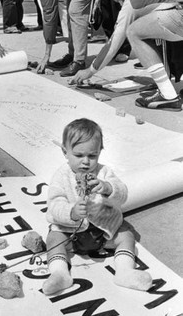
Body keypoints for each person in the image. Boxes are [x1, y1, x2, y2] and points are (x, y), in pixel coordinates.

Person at [43, 118, 152, 296]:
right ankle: (59, 273)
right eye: (78, 155)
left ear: (99, 152)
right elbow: (54, 205)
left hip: (103, 231)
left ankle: (124, 272)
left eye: (92, 156)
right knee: (53, 239)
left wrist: (109, 188)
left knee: (126, 235)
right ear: (65, 151)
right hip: (71, 234)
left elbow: (123, 194)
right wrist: (71, 212)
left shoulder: (104, 173)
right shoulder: (61, 176)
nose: (85, 162)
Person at [70, 0, 183, 111]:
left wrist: (90, 71)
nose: (119, 7)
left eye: (118, 3)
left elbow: (113, 44)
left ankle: (168, 95)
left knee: (134, 31)